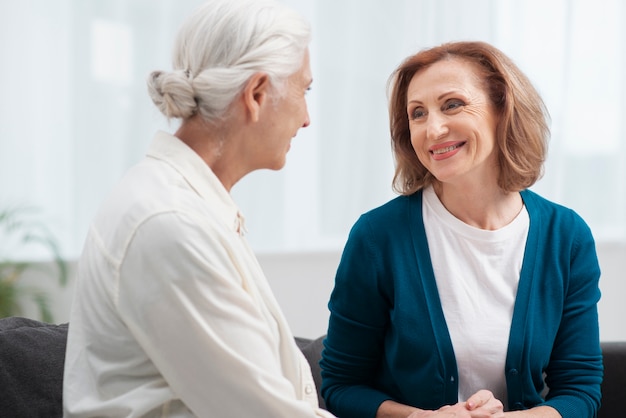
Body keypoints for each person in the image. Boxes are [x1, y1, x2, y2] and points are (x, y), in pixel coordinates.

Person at [62, 0, 336, 416]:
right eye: (305, 90)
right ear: (257, 94)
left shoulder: (184, 204)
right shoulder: (169, 223)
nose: (306, 119)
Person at [320, 41, 603, 418]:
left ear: (503, 108)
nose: (433, 129)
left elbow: (580, 390)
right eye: (417, 113)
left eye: (452, 104)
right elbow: (341, 386)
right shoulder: (377, 237)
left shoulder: (566, 237)